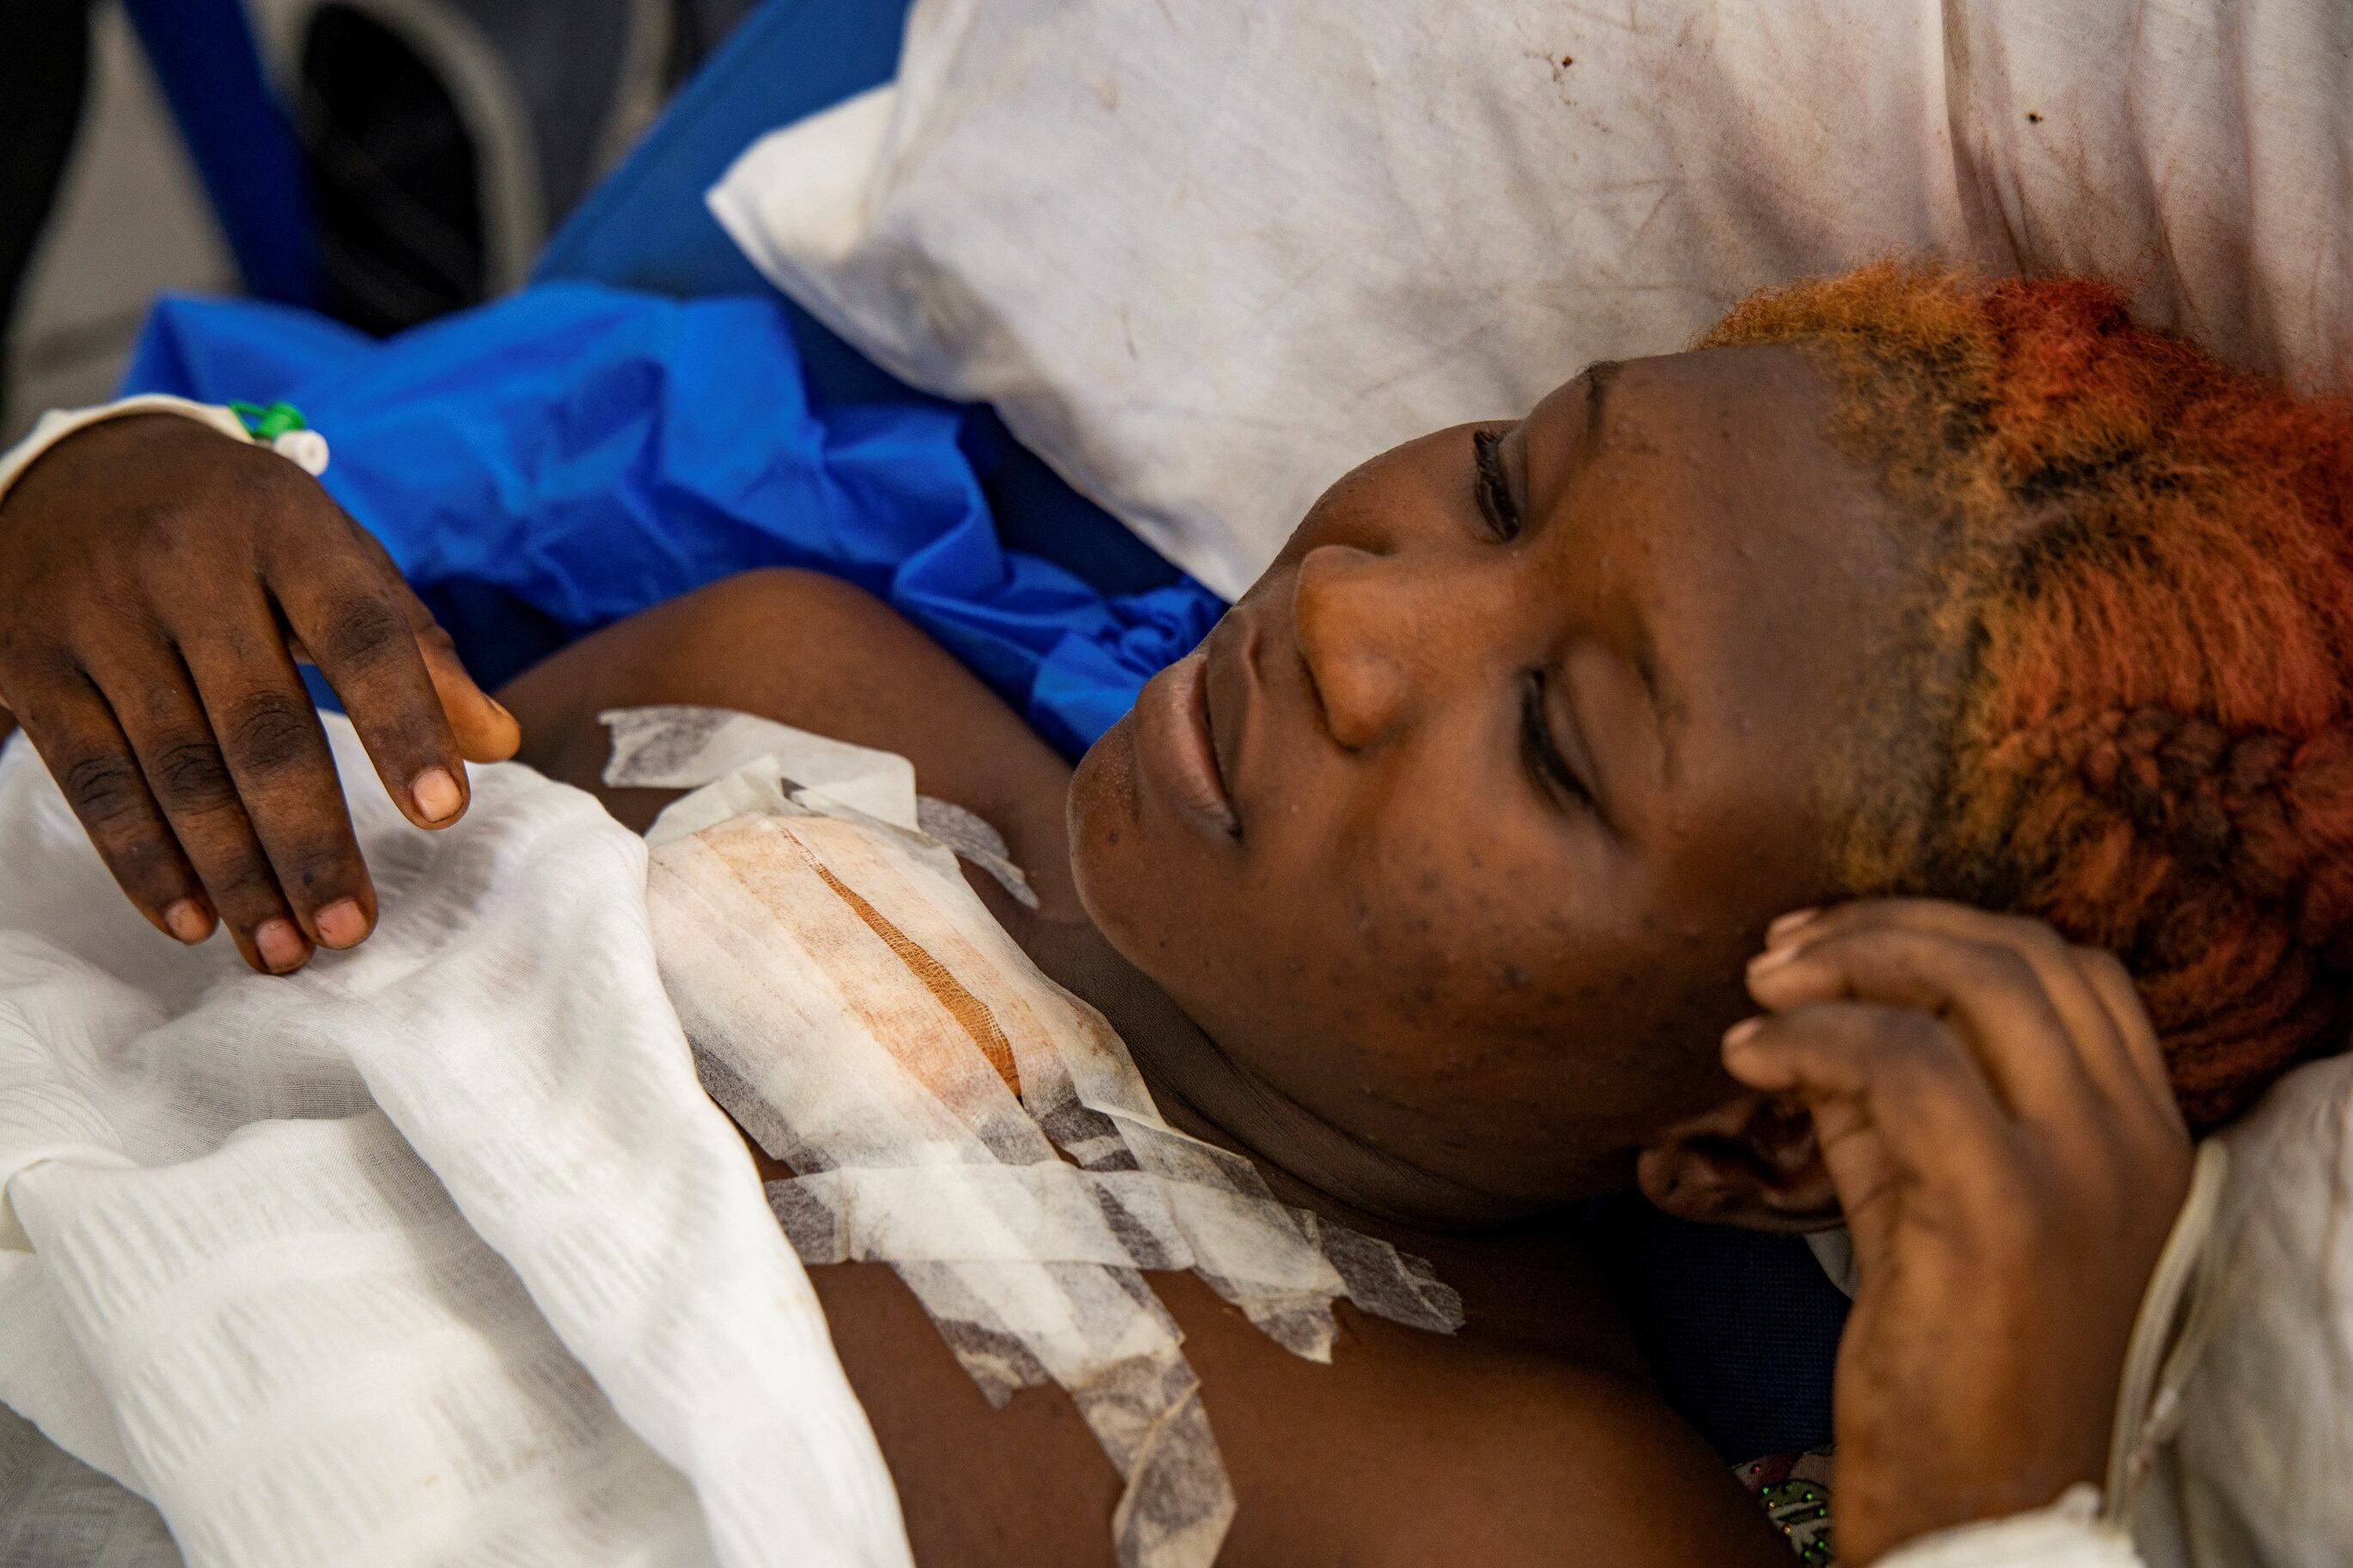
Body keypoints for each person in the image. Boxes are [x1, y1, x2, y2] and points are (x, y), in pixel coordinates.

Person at [0, 261, 2340, 1563]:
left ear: (1752, 1134)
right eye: (1504, 477)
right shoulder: (798, 683)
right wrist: (106, 530)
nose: (1356, 613)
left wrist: (1988, 1524)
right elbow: (134, 949)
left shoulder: (1513, 1505)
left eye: (1553, 741)